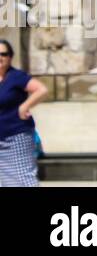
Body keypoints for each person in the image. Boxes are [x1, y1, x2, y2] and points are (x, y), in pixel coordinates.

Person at [0, 38, 47, 187]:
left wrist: (24, 106)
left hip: (17, 137)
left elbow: (41, 89)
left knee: (23, 179)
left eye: (3, 54)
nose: (0, 57)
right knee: (7, 182)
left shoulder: (16, 76)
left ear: (10, 57)